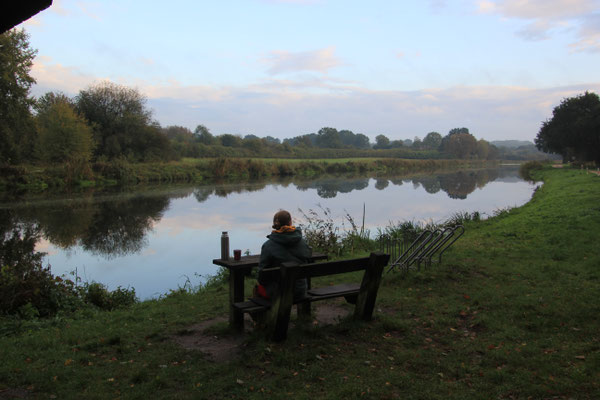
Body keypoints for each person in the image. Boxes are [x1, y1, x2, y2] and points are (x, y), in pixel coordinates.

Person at [256, 210, 312, 301]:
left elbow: (261, 277)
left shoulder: (268, 246)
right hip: (300, 291)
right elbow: (308, 257)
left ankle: (263, 315)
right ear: (290, 222)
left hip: (278, 293)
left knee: (258, 287)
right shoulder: (301, 242)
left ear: (275, 224)